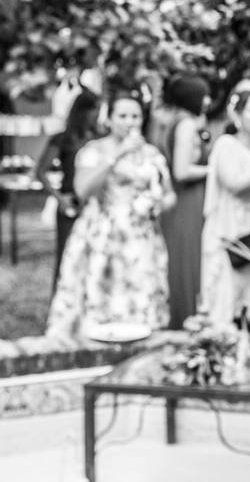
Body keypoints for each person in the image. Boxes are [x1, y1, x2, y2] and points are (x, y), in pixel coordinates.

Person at [46, 90, 175, 340]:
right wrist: (118, 155)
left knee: (140, 294)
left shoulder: (152, 154)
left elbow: (169, 194)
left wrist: (155, 204)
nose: (130, 122)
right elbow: (83, 190)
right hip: (102, 234)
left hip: (140, 236)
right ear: (110, 118)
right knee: (99, 296)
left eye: (135, 116)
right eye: (123, 115)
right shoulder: (94, 150)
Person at [201, 89, 250, 341]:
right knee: (227, 299)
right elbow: (234, 183)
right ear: (238, 115)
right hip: (231, 231)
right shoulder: (226, 146)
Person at [35, 88, 100, 292]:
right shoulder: (63, 138)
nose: (97, 115)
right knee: (67, 259)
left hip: (94, 205)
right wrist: (59, 198)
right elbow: (40, 172)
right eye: (94, 110)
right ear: (83, 111)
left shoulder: (100, 137)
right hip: (70, 204)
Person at [158, 76, 211, 329]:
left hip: (184, 201)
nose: (208, 101)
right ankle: (186, 320)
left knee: (183, 261)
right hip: (187, 200)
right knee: (188, 262)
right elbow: (181, 171)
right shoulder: (186, 124)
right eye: (204, 95)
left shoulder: (174, 122)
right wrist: (214, 169)